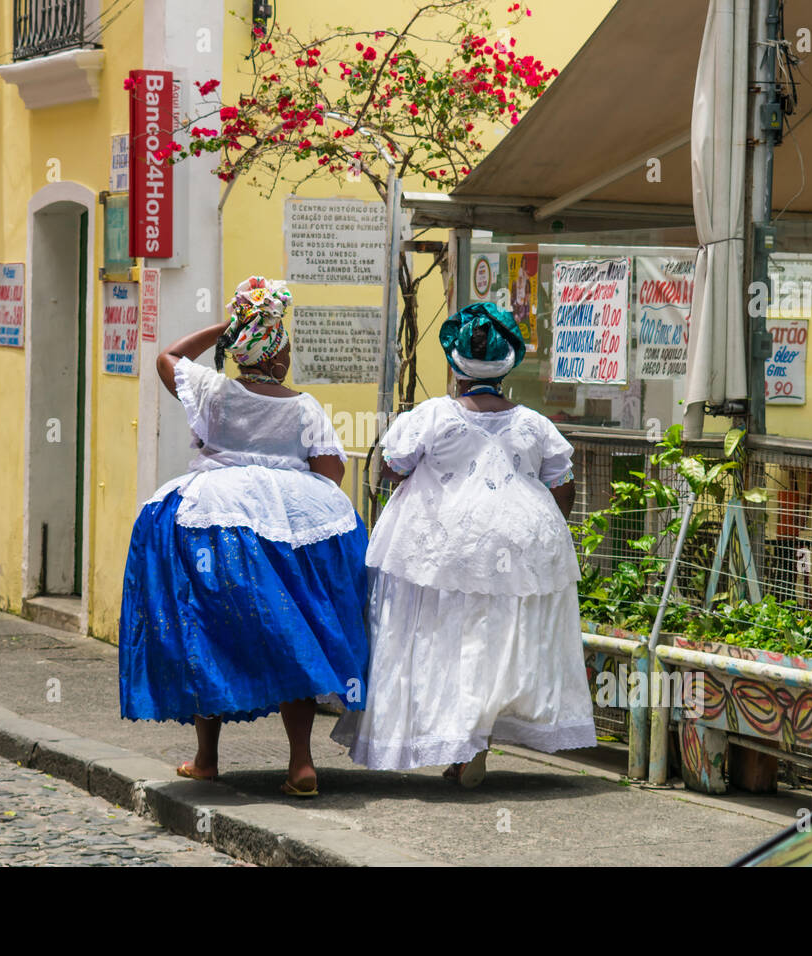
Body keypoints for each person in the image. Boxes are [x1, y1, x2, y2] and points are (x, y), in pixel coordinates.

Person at [119, 277, 368, 797]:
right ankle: (301, 763)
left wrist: (227, 326)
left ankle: (207, 758)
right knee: (293, 632)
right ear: (277, 357)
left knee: (210, 633)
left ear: (239, 349)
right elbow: (329, 474)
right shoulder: (304, 407)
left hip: (212, 519)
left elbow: (167, 357)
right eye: (286, 345)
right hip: (292, 525)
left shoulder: (214, 392)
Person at [332, 301, 596, 787]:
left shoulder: (433, 415)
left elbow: (391, 464)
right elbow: (563, 485)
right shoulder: (535, 424)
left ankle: (458, 740)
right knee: (493, 642)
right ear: (508, 363)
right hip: (519, 545)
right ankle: (478, 738)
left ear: (455, 366)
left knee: (440, 638)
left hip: (440, 546)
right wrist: (538, 526)